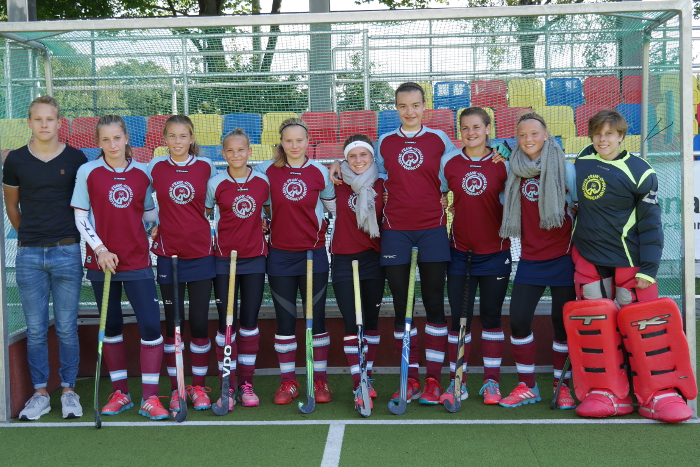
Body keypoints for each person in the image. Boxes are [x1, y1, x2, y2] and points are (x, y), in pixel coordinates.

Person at [566, 109, 696, 423]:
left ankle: (658, 394)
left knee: (645, 329)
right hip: (590, 259)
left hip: (629, 262)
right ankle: (606, 391)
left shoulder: (640, 171)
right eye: (598, 133)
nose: (602, 139)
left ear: (622, 136)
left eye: (609, 134)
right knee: (596, 328)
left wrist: (649, 268)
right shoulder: (582, 161)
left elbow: (651, 225)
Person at [330, 82, 455, 405]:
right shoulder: (385, 142)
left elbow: (456, 169)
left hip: (432, 229)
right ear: (396, 108)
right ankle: (409, 378)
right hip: (395, 232)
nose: (409, 111)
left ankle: (432, 380)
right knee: (402, 306)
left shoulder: (439, 139)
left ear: (424, 106)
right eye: (403, 106)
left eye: (415, 105)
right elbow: (366, 169)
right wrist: (337, 163)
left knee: (434, 303)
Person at [71, 115, 167, 420]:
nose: (112, 145)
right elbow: (80, 217)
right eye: (105, 139)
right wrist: (100, 249)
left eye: (117, 138)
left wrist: (164, 222)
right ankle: (120, 393)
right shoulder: (88, 171)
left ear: (126, 138)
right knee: (111, 326)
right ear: (98, 142)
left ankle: (150, 398)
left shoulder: (143, 173)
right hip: (102, 263)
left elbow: (149, 214)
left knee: (151, 326)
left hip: (137, 259)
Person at [3, 96, 86, 420]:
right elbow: (12, 207)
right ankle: (40, 393)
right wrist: (32, 237)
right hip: (29, 255)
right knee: (36, 329)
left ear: (59, 122)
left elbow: (85, 205)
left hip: (67, 251)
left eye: (49, 119)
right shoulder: (15, 160)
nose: (44, 124)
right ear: (29, 122)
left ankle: (68, 391)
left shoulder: (76, 158)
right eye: (38, 119)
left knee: (66, 328)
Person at [497, 112, 577, 410]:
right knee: (518, 321)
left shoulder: (565, 168)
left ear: (546, 135)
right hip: (531, 258)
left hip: (563, 258)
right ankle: (527, 386)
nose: (528, 139)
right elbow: (502, 200)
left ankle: (562, 385)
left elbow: (579, 206)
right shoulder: (513, 168)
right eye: (522, 135)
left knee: (561, 323)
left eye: (534, 133)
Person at [254, 117, 336, 405]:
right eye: (288, 140)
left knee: (317, 320)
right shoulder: (265, 171)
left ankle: (319, 379)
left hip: (313, 254)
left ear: (308, 141)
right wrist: (262, 219)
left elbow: (335, 207)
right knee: (285, 320)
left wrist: (340, 166)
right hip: (280, 255)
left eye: (299, 140)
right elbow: (253, 198)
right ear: (281, 142)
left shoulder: (320, 172)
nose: (294, 145)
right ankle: (288, 382)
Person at [438, 107, 511, 405]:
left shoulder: (504, 161)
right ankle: (459, 381)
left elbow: (535, 154)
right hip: (459, 254)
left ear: (488, 128)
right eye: (465, 128)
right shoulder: (449, 162)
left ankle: (491, 382)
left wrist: (507, 148)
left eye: (477, 127)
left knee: (492, 318)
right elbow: (439, 193)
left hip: (496, 253)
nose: (471, 133)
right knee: (460, 320)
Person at [148, 115, 217, 412]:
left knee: (199, 322)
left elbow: (215, 203)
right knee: (174, 324)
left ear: (192, 138)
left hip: (201, 253)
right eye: (172, 136)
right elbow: (142, 202)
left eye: (183, 136)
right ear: (165, 138)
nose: (178, 141)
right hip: (169, 255)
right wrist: (153, 223)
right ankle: (177, 388)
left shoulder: (206, 166)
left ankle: (198, 386)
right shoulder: (155, 167)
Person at [206, 128, 270, 408]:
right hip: (224, 260)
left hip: (255, 258)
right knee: (226, 323)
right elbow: (204, 214)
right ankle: (228, 385)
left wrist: (266, 223)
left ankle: (246, 384)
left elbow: (269, 211)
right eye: (230, 151)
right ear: (223, 154)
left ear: (249, 152)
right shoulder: (215, 183)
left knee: (249, 323)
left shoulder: (262, 182)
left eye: (241, 150)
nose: (236, 155)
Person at [330, 134, 385, 409]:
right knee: (352, 322)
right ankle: (358, 383)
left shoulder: (383, 183)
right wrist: (333, 164)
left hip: (373, 259)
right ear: (345, 159)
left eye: (363, 155)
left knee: (371, 322)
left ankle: (368, 376)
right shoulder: (335, 181)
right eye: (352, 156)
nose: (358, 160)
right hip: (343, 259)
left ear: (373, 157)